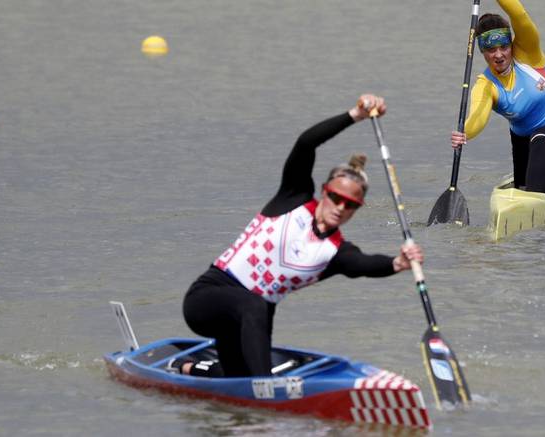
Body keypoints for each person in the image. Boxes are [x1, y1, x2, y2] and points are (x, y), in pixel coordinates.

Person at [178, 94, 424, 377]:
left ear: (357, 209)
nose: (340, 207)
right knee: (255, 308)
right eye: (336, 197)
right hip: (208, 298)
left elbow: (365, 265)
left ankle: (192, 371)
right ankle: (266, 393)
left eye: (350, 205)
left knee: (238, 374)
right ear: (324, 191)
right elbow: (306, 143)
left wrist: (399, 263)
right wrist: (354, 115)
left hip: (250, 319)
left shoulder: (336, 252)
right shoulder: (292, 198)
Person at [451, 0, 545, 193]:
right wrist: (464, 132)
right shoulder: (486, 85)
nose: (499, 55)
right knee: (523, 187)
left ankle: (539, 193)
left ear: (511, 45)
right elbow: (478, 115)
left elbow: (520, 16)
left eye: (504, 47)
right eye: (491, 50)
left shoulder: (528, 52)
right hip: (526, 146)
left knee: (540, 138)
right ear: (482, 51)